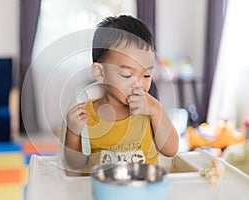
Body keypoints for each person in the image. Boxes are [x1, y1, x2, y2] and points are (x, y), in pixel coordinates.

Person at [64, 15, 179, 170]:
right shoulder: (87, 115)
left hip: (144, 191)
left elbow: (171, 150)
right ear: (100, 72)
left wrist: (156, 110)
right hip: (103, 192)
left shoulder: (150, 110)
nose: (138, 84)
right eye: (127, 75)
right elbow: (74, 164)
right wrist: (73, 132)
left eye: (146, 75)